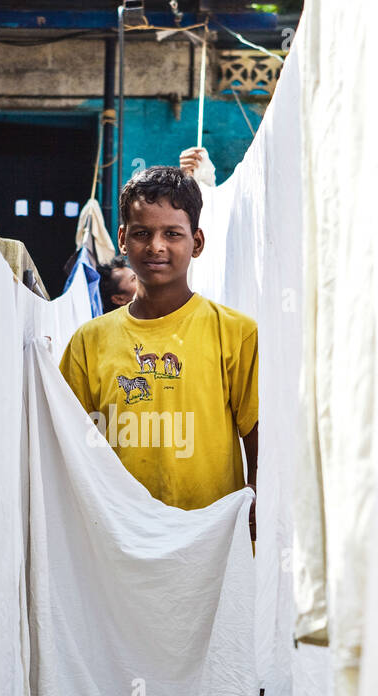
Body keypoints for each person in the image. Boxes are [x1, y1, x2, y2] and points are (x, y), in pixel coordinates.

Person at [58, 164, 258, 540]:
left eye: (172, 233)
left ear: (196, 242)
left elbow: (258, 434)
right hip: (116, 540)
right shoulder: (88, 342)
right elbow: (67, 444)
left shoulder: (236, 334)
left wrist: (257, 499)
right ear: (122, 238)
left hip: (210, 540)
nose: (156, 246)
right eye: (141, 233)